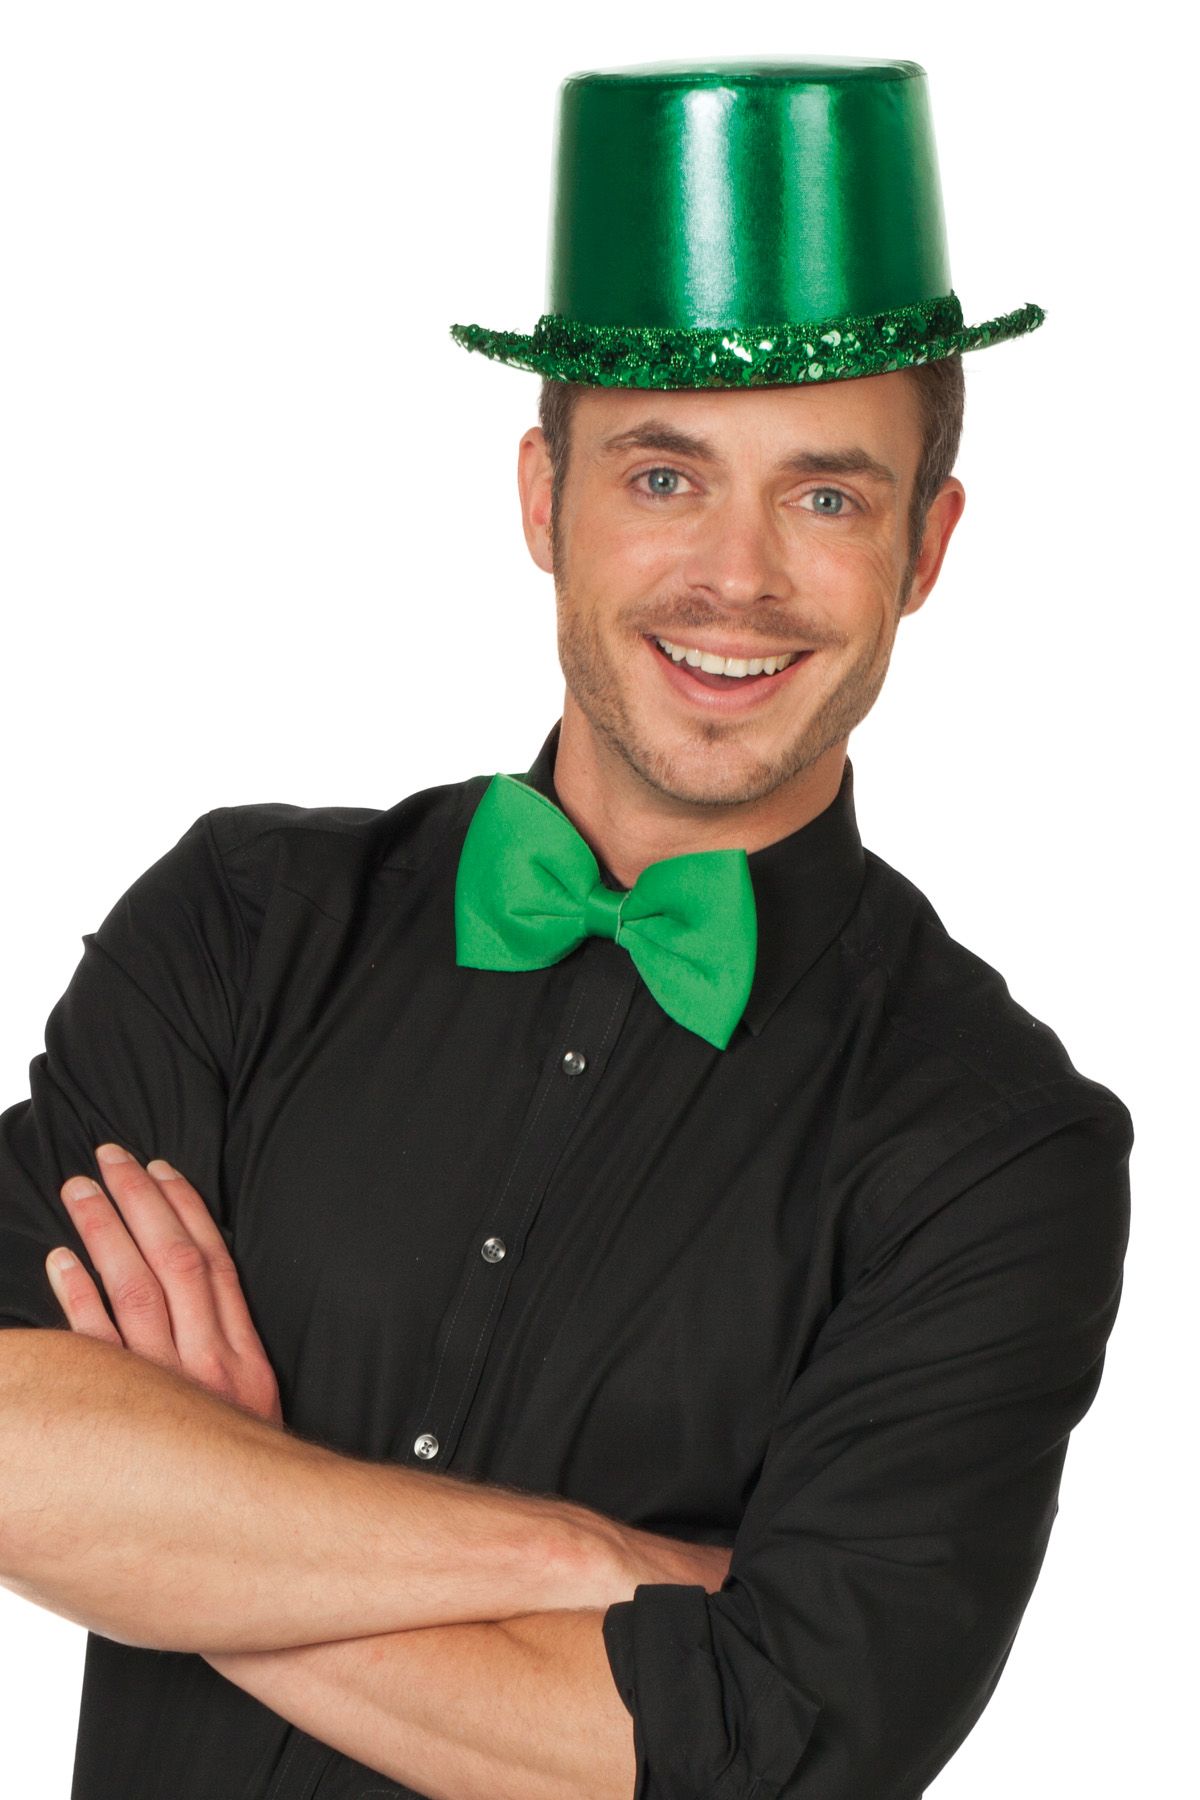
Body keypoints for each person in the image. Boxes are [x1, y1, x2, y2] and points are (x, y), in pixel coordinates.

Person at [0, 57, 1132, 1800]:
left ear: (928, 547)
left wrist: (186, 1519)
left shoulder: (997, 1152)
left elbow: (763, 1756)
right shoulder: (236, 930)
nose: (736, 576)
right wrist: (574, 1561)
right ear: (543, 497)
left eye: (827, 495)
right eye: (664, 477)